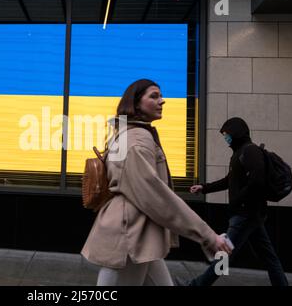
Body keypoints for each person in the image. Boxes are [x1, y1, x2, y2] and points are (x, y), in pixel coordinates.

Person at [81, 79, 232, 286]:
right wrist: (208, 236)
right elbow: (156, 196)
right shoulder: (137, 140)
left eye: (160, 96)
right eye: (154, 96)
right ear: (135, 103)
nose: (162, 101)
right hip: (131, 236)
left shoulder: (126, 134)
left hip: (139, 235)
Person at [187, 117, 288, 286]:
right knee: (268, 256)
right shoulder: (239, 152)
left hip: (245, 213)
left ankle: (197, 285)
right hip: (250, 214)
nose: (225, 137)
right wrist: (204, 188)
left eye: (227, 134)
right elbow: (228, 181)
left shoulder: (249, 151)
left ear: (236, 132)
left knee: (224, 253)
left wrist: (237, 201)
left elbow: (257, 182)